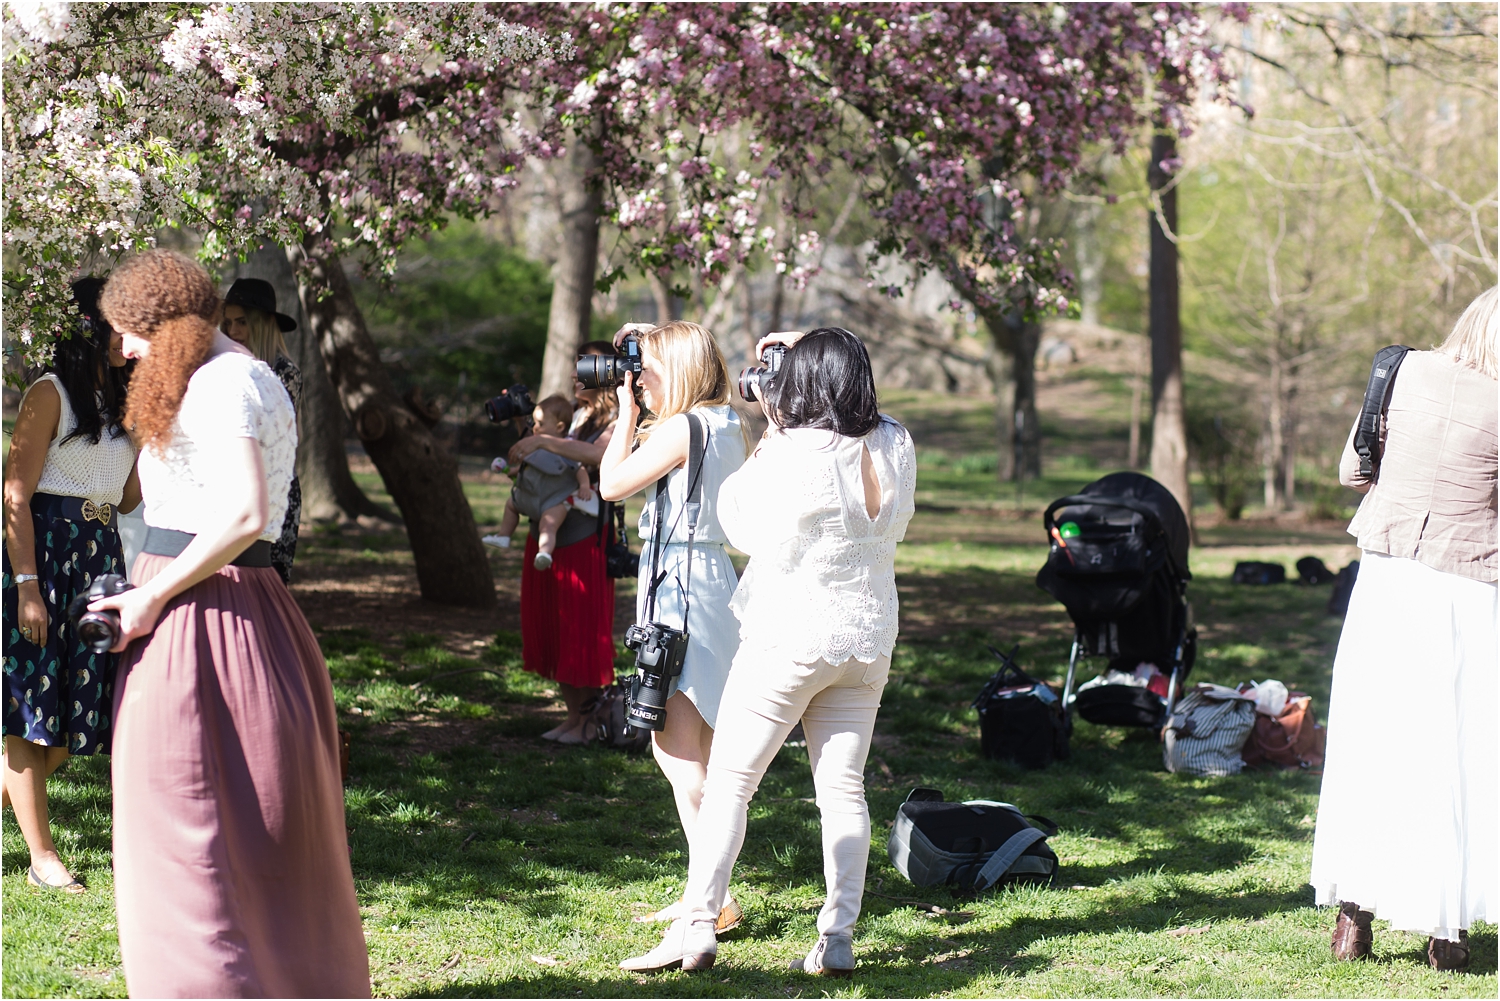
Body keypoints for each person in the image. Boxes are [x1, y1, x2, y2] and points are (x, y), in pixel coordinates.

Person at [89, 250, 370, 997]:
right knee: (207, 822)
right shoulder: (221, 374)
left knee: (196, 827)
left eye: (132, 335)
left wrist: (154, 597)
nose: (126, 351)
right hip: (202, 604)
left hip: (208, 613)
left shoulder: (226, 382)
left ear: (164, 323)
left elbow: (246, 515)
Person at [620, 327, 916, 976]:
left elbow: (739, 524)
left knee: (730, 783)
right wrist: (813, 347)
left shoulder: (794, 446)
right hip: (866, 638)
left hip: (791, 634)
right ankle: (837, 937)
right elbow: (852, 402)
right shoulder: (895, 440)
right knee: (842, 790)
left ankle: (697, 927)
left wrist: (775, 435)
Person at [1310, 287, 1497, 972]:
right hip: (1468, 586)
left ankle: (1352, 917)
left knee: (1372, 738)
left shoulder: (1401, 370)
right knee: (1456, 752)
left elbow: (1351, 470)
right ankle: (1447, 932)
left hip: (1387, 580)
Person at [599, 320, 751, 934]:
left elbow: (611, 485)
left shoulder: (687, 426)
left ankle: (710, 899)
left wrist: (624, 413)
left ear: (680, 371)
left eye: (651, 371)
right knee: (700, 751)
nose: (641, 381)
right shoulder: (725, 422)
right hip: (706, 580)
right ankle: (708, 891)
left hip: (681, 591)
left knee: (676, 750)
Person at [2, 278, 141, 894]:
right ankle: (42, 857)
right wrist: (27, 585)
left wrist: (157, 428)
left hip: (101, 558)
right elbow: (14, 495)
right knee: (31, 706)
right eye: (116, 323)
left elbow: (131, 498)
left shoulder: (122, 403)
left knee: (84, 707)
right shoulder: (48, 392)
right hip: (45, 557)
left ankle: (15, 791)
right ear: (87, 327)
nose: (127, 337)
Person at [505, 341, 621, 743]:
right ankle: (574, 717)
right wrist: (527, 429)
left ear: (604, 373)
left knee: (580, 628)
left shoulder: (621, 418)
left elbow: (595, 456)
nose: (573, 376)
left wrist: (542, 442)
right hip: (550, 532)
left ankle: (591, 722)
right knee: (557, 624)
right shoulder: (575, 414)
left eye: (582, 369)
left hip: (585, 535)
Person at [221, 277, 302, 584]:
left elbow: (266, 441)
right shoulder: (223, 370)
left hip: (271, 495)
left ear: (263, 323)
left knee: (264, 591)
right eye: (228, 322)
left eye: (242, 322)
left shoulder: (283, 374)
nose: (233, 332)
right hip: (229, 494)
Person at [484, 394, 597, 570]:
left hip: (554, 500)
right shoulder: (535, 444)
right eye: (535, 422)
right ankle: (504, 535)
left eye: (541, 424)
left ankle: (544, 552)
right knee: (511, 505)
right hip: (531, 495)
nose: (535, 428)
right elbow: (529, 464)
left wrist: (584, 486)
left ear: (559, 427)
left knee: (549, 524)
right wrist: (512, 471)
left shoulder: (566, 446)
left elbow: (579, 469)